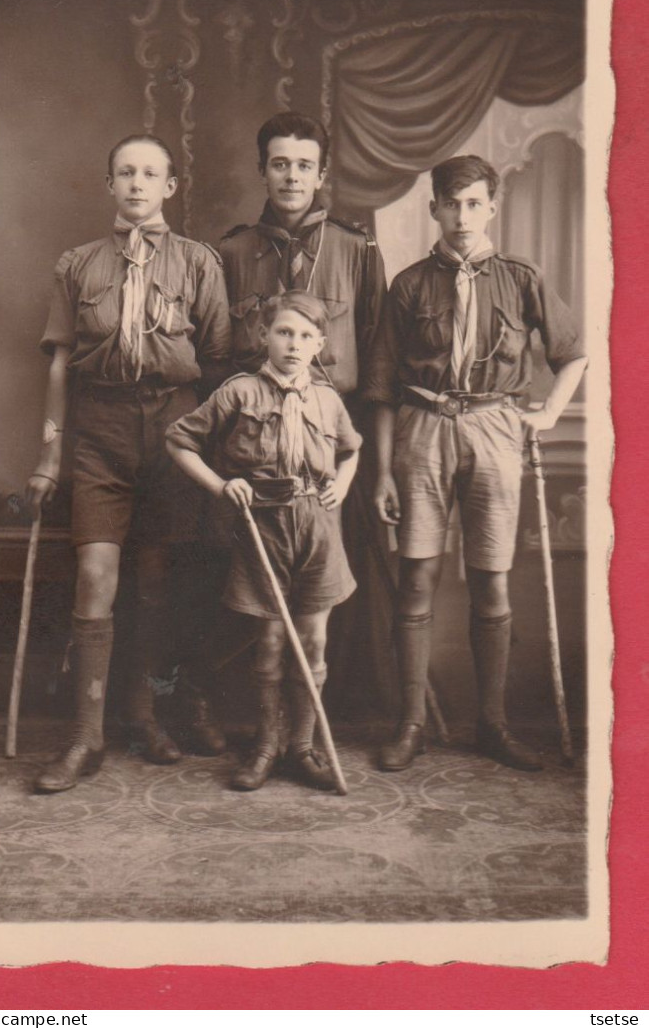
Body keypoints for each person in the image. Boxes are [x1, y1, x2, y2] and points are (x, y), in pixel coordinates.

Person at [364, 154, 587, 773]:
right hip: (422, 426)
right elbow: (381, 388)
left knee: (491, 576)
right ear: (433, 207)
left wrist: (544, 416)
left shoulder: (521, 276)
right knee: (417, 577)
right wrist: (381, 471)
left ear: (493, 207)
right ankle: (409, 726)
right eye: (450, 203)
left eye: (473, 203)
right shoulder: (409, 286)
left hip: (494, 426)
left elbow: (572, 354)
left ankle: (493, 724)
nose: (461, 216)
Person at [26, 133, 231, 793]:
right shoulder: (78, 265)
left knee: (153, 578)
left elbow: (218, 361)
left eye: (150, 174)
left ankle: (143, 715)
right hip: (100, 431)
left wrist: (204, 445)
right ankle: (85, 737)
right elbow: (60, 361)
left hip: (173, 428)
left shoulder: (199, 263)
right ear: (108, 183)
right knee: (95, 571)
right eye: (125, 173)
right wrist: (50, 453)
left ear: (171, 186)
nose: (137, 184)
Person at [166, 291, 362, 792]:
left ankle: (302, 747)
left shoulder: (328, 398)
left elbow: (351, 450)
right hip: (263, 527)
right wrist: (222, 486)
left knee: (313, 639)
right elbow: (179, 440)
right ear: (263, 336)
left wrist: (342, 482)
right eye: (284, 332)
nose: (293, 345)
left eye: (305, 336)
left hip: (318, 525)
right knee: (272, 641)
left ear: (319, 344)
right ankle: (266, 745)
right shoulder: (239, 393)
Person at [219, 111, 385, 400]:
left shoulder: (356, 248)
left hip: (332, 417)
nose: (292, 177)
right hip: (251, 419)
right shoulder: (233, 252)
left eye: (304, 166)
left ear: (320, 176)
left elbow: (378, 352)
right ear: (262, 172)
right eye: (280, 165)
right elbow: (217, 353)